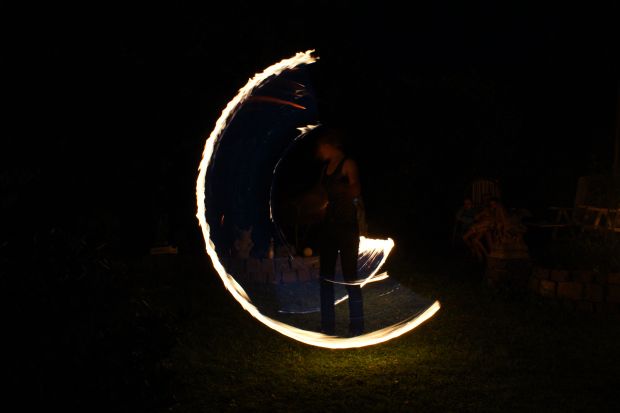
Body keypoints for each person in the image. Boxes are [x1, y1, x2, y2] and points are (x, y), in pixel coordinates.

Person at [315, 128, 365, 336]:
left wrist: (342, 193)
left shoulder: (348, 164)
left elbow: (356, 189)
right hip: (329, 227)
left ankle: (357, 326)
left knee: (349, 276)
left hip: (346, 227)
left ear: (330, 146)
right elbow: (322, 196)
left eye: (321, 147)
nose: (319, 151)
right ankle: (327, 325)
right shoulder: (325, 169)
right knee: (325, 277)